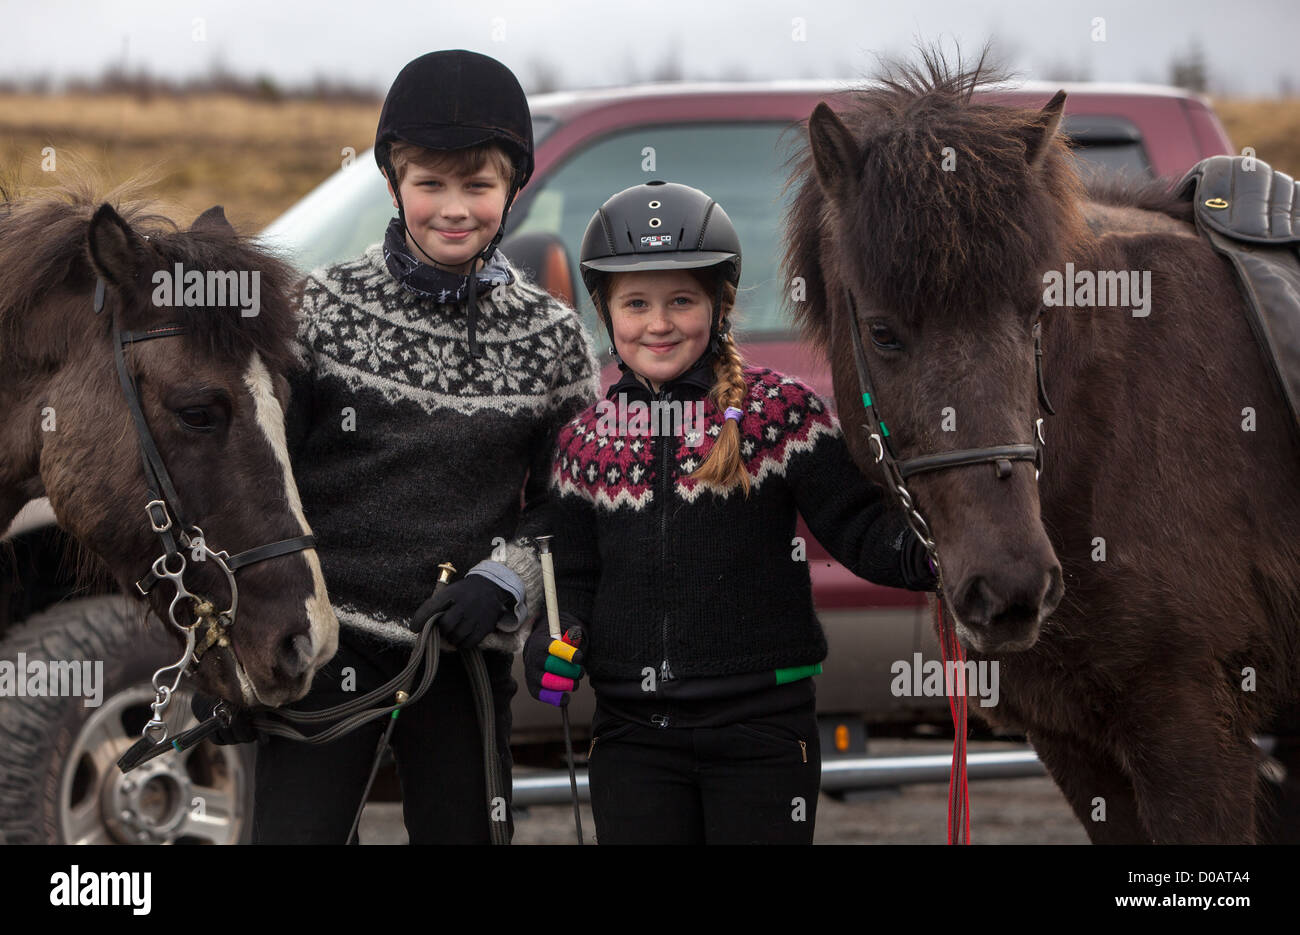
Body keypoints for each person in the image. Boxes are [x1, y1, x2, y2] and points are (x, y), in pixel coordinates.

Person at [201, 50, 600, 844]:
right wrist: (233, 653)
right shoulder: (320, 311)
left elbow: (574, 501)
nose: (455, 208)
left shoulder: (553, 339)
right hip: (321, 649)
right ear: (394, 182)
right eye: (431, 185)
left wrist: (509, 579)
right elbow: (255, 483)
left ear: (513, 188)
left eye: (478, 186)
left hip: (460, 655)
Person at [524, 180, 936, 844]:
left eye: (682, 300)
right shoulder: (584, 439)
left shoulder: (781, 414)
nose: (658, 323)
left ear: (720, 304)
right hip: (631, 739)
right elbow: (569, 578)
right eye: (636, 303)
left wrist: (935, 555)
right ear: (605, 311)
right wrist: (554, 639)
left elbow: (859, 526)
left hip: (763, 735)